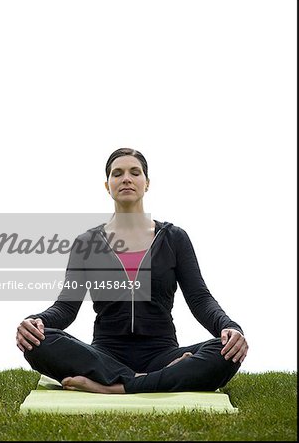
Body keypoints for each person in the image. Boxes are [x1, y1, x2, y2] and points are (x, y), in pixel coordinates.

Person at [16, 147, 248, 394]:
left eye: (134, 172)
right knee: (39, 342)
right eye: (117, 173)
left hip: (162, 352)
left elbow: (199, 298)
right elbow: (66, 306)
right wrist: (37, 322)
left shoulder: (174, 238)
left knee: (224, 352)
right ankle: (151, 380)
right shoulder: (87, 243)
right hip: (104, 355)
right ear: (108, 185)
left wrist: (229, 327)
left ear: (146, 183)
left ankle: (114, 387)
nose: (126, 178)